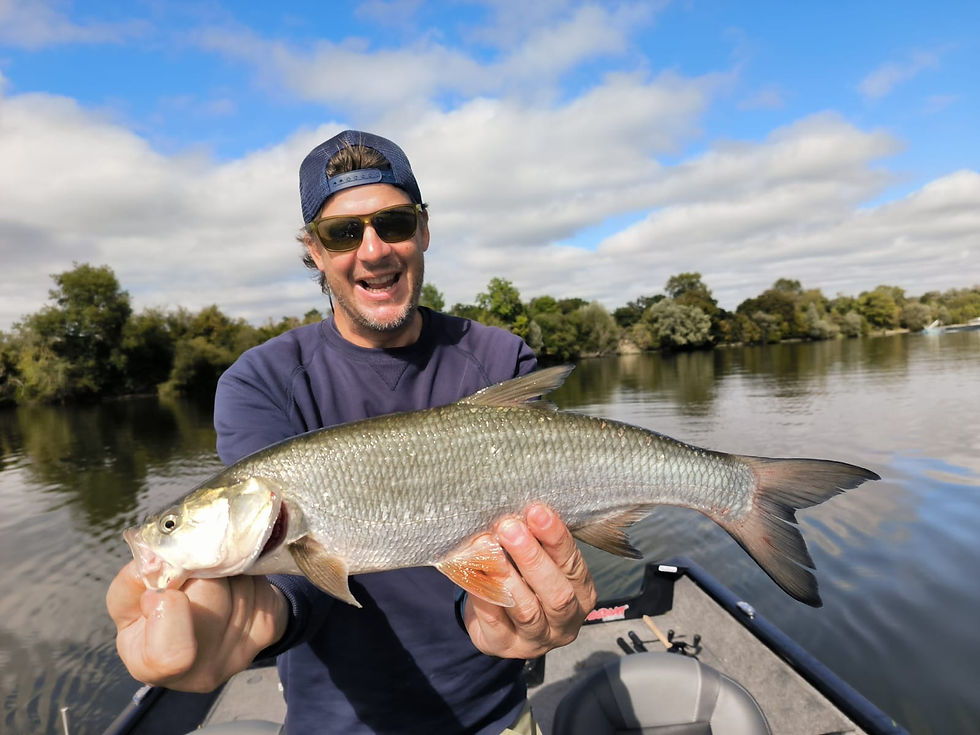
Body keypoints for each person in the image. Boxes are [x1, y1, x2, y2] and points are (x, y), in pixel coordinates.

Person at [107, 129, 597, 734]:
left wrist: (503, 611)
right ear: (314, 249)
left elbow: (543, 525)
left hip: (495, 715)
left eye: (393, 223)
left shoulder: (499, 357)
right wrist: (261, 615)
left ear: (423, 231)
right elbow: (299, 578)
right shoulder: (260, 381)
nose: (373, 250)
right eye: (342, 232)